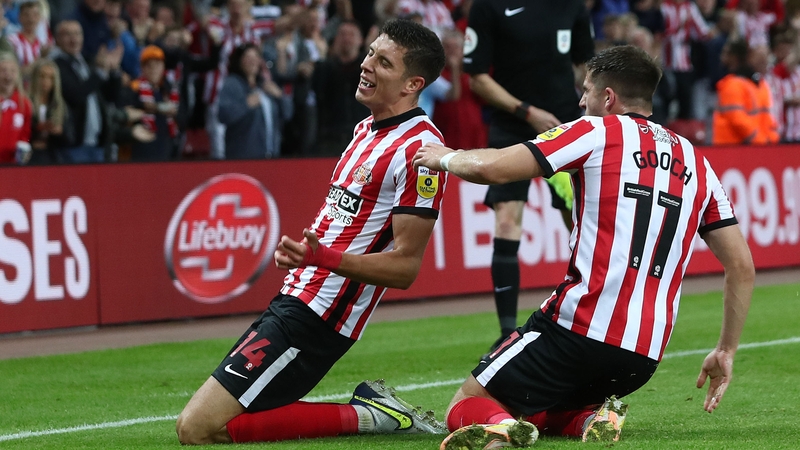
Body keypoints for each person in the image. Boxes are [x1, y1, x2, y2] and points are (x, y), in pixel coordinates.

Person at [413, 45, 754, 447]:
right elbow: (742, 266)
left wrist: (445, 157)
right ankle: (588, 419)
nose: (580, 101)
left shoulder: (595, 130)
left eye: (587, 91)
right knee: (542, 404)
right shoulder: (699, 162)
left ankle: (499, 434)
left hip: (578, 331)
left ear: (608, 98)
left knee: (468, 403)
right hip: (642, 357)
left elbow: (494, 168)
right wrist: (725, 350)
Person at [175, 19, 448, 445]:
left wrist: (321, 259)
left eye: (383, 61)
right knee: (213, 422)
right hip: (295, 296)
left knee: (197, 429)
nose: (366, 64)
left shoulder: (420, 151)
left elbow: (405, 267)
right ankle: (372, 413)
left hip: (320, 316)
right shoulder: (364, 129)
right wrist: (308, 254)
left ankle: (371, 416)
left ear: (413, 84)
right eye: (370, 52)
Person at [463, 0, 594, 355]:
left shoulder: (573, 7)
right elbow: (477, 78)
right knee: (507, 222)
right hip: (512, 126)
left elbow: (586, 65)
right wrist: (526, 112)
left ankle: (591, 319)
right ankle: (507, 332)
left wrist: (588, 112)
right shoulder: (488, 7)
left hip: (566, 125)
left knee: (582, 223)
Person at [51, 19, 122, 163]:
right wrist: (101, 72)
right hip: (73, 145)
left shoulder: (87, 63)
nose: (74, 39)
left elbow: (111, 96)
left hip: (96, 144)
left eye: (77, 34)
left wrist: (114, 71)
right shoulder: (56, 66)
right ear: (57, 39)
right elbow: (76, 95)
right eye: (68, 35)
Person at [217, 42, 283, 158]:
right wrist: (246, 104)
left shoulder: (265, 86)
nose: (253, 61)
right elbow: (223, 114)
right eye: (248, 57)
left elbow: (287, 113)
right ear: (239, 61)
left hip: (270, 156)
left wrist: (280, 96)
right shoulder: (232, 84)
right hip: (243, 157)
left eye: (256, 57)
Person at [712, 39, 779, 145]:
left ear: (734, 57)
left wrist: (769, 142)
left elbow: (765, 119)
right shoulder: (756, 84)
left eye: (726, 53)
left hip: (738, 151)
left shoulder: (737, 84)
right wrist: (766, 142)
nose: (722, 57)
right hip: (740, 149)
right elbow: (738, 120)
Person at [126, 45, 179, 161]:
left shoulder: (168, 89)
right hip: (143, 146)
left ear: (163, 67)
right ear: (142, 68)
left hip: (165, 144)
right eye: (149, 66)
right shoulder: (134, 88)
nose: (154, 69)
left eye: (157, 65)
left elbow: (181, 114)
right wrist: (160, 108)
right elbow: (132, 108)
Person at [27, 57, 65, 164]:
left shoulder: (59, 105)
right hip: (30, 155)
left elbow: (70, 137)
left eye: (50, 78)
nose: (46, 82)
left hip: (53, 155)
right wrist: (38, 128)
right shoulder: (26, 102)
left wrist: (59, 131)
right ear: (35, 77)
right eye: (42, 76)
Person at [0, 51, 32, 165]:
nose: (8, 74)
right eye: (3, 70)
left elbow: (25, 135)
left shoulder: (24, 104)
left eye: (12, 71)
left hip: (12, 165)